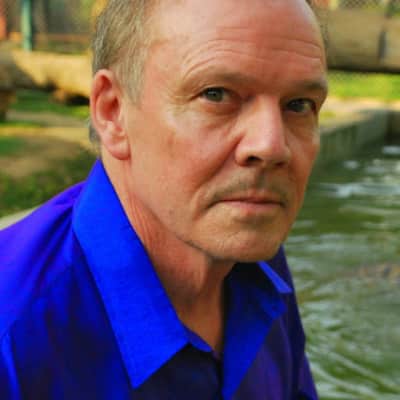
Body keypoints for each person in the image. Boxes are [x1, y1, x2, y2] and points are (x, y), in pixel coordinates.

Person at [0, 0, 328, 398]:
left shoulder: (254, 258)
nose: (272, 146)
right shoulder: (13, 339)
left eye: (299, 105)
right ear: (112, 112)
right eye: (216, 94)